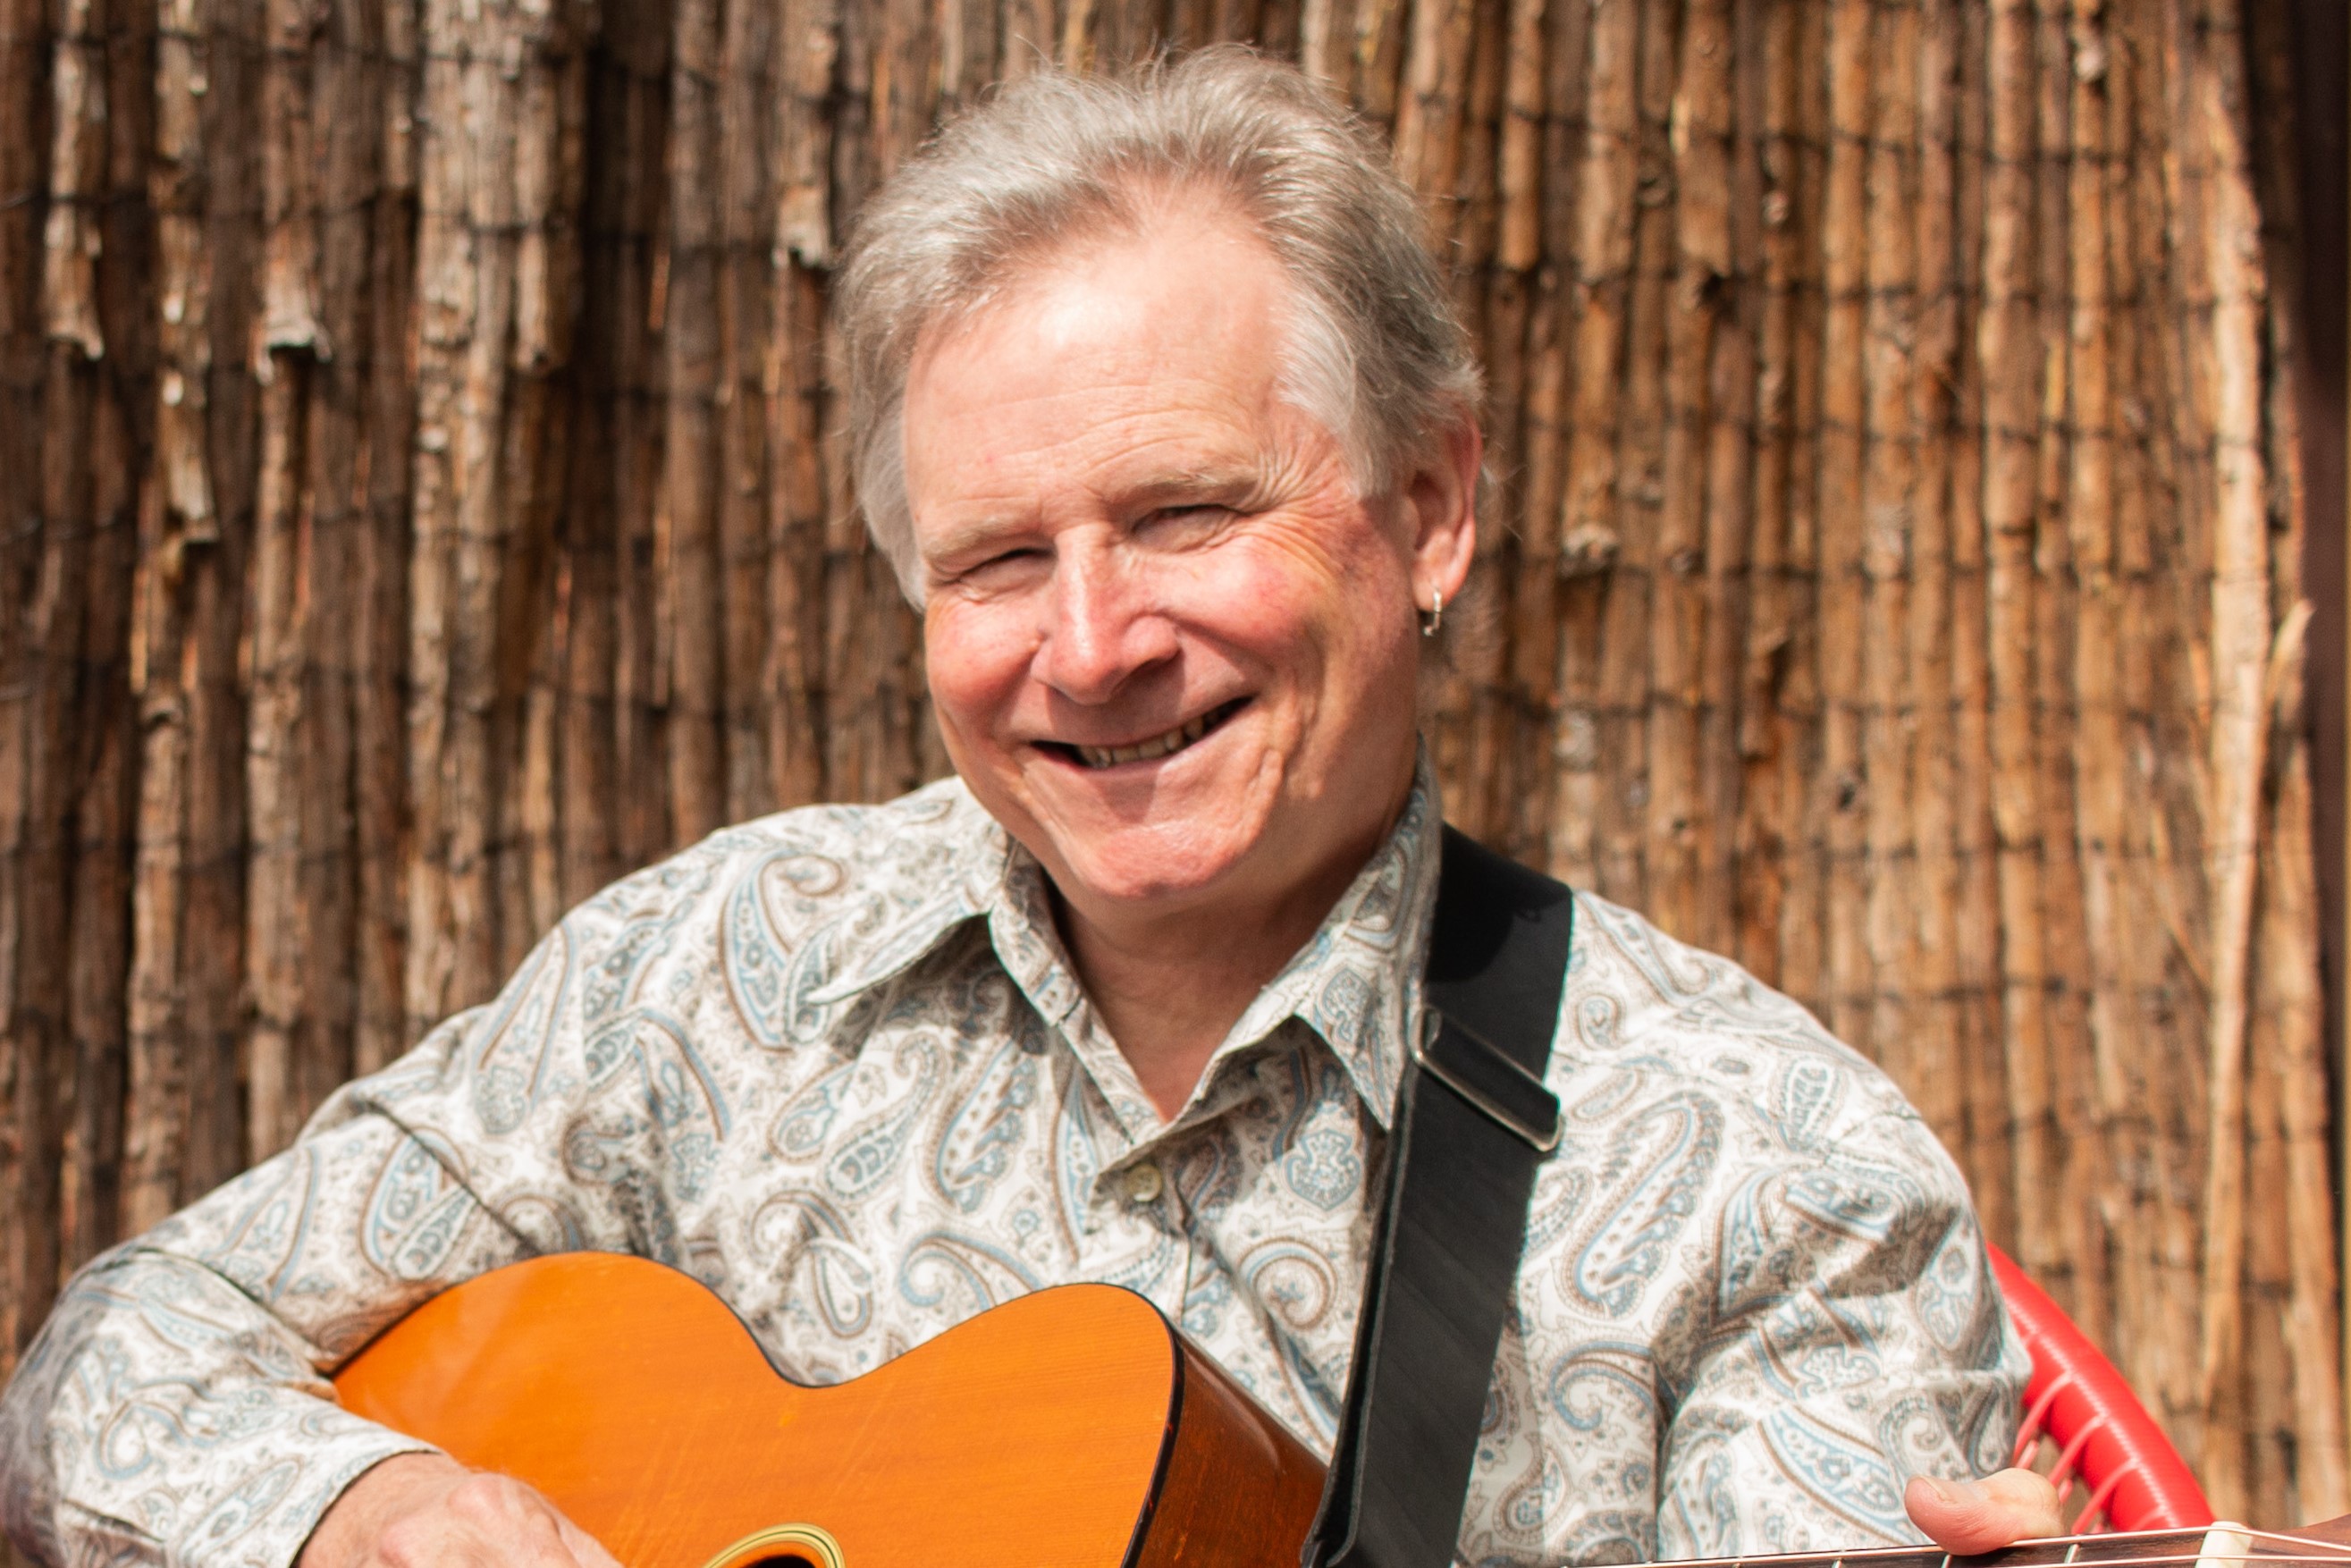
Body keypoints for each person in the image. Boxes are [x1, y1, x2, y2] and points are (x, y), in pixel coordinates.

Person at [0, 49, 2067, 1568]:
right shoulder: (713, 978)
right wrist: (363, 1500)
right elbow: (118, 1352)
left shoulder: (1768, 1174)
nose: (1087, 647)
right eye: (997, 561)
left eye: (1180, 514)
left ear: (1428, 508)